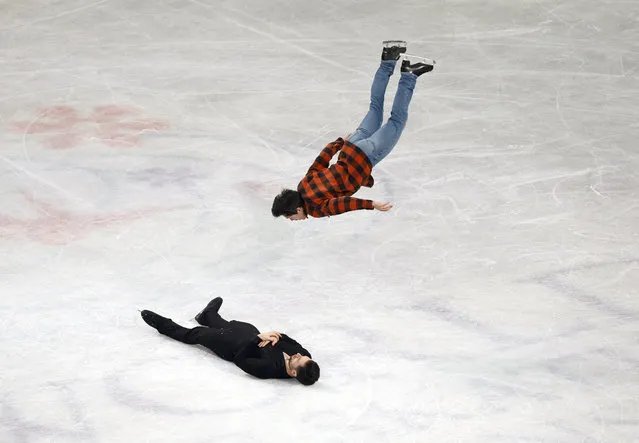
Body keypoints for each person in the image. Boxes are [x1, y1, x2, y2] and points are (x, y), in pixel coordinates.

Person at [271, 41, 435, 220]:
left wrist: (371, 205)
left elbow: (342, 204)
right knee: (375, 108)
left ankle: (409, 74)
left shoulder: (315, 209)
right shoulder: (303, 185)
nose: (291, 220)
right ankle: (389, 58)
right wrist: (340, 142)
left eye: (289, 217)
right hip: (351, 146)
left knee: (397, 121)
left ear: (297, 209)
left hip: (365, 155)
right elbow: (321, 160)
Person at [140, 297, 320, 385]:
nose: (298, 354)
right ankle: (207, 315)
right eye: (302, 356)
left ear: (294, 373)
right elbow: (290, 340)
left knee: (196, 334)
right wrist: (275, 335)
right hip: (246, 332)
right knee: (221, 323)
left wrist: (257, 340)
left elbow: (240, 360)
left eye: (297, 360)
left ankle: (163, 325)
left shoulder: (268, 369)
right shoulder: (305, 356)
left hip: (229, 345)